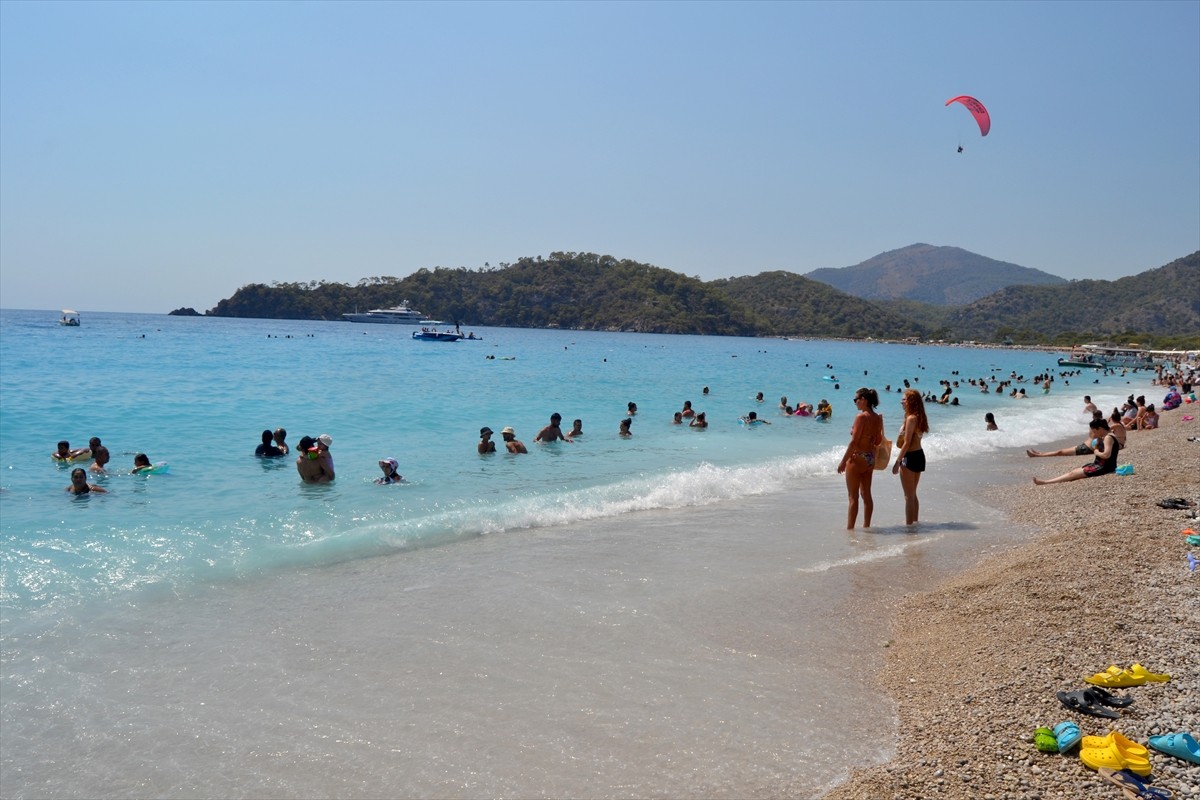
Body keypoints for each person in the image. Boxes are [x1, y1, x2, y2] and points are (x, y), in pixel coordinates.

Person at [837, 388, 883, 529]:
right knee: (866, 494)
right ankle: (866, 526)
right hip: (869, 458)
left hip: (858, 458)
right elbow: (878, 441)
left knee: (853, 497)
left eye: (856, 399)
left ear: (863, 399)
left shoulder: (861, 417)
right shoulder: (877, 417)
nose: (855, 402)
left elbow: (854, 442)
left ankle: (850, 529)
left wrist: (843, 462)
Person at [1034, 418, 1120, 485]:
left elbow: (1106, 455)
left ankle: (1045, 482)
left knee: (1073, 474)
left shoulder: (1108, 438)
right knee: (1075, 471)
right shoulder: (1107, 436)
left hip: (1104, 467)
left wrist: (1096, 451)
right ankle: (1046, 481)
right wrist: (1098, 444)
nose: (1095, 434)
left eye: (1094, 431)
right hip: (1103, 465)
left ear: (1100, 428)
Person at [892, 389, 929, 526]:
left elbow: (907, 443)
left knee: (908, 496)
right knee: (913, 494)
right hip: (919, 455)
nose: (901, 402)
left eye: (904, 399)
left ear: (911, 402)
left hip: (910, 456)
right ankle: (915, 524)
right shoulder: (918, 417)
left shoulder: (911, 418)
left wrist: (897, 462)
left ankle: (909, 528)